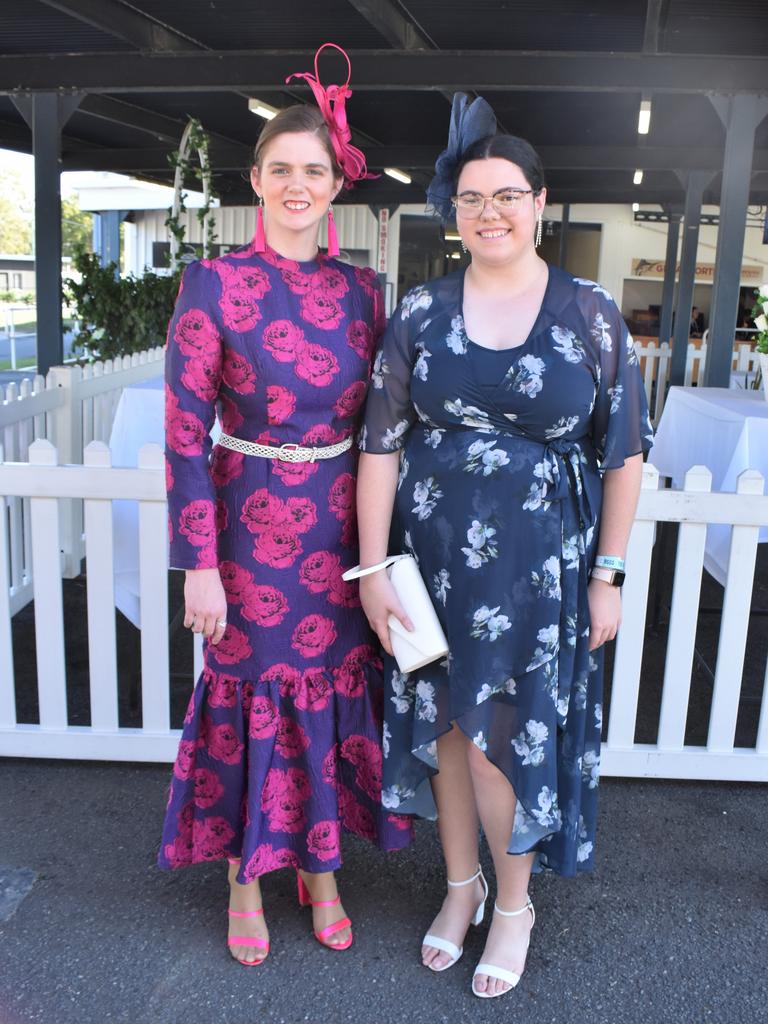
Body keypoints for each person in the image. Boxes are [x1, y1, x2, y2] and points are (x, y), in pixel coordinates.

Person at [355, 94, 653, 999]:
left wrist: (608, 573)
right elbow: (378, 446)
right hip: (428, 560)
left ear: (539, 201)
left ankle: (513, 907)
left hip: (539, 571)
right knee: (446, 734)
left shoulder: (592, 314)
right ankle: (460, 889)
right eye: (473, 197)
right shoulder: (418, 312)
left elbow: (626, 451)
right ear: (454, 210)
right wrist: (371, 571)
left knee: (500, 743)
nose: (490, 211)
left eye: (507, 195)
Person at [158, 44, 411, 966]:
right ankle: (245, 879)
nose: (297, 186)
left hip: (343, 530)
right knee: (255, 698)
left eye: (315, 170)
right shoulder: (213, 285)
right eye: (281, 171)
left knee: (336, 699)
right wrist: (199, 563)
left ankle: (322, 869)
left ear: (335, 183)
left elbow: (389, 426)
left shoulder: (364, 292)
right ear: (257, 181)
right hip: (248, 528)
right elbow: (185, 433)